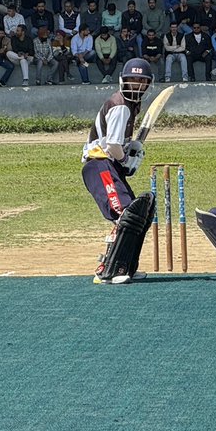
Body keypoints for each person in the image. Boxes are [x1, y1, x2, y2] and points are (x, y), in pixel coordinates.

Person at [82, 58, 157, 284]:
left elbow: (118, 143)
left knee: (138, 215)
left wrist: (132, 149)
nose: (136, 85)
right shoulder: (121, 105)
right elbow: (112, 145)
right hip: (99, 163)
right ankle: (106, 269)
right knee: (125, 213)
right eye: (132, 80)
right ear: (123, 80)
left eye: (141, 81)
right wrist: (126, 160)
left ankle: (126, 266)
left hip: (108, 163)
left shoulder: (130, 104)